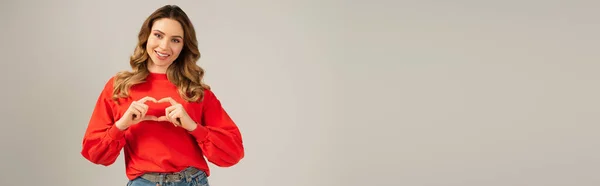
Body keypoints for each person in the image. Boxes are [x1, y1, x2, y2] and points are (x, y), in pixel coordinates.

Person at [80, 4, 244, 186]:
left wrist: (192, 126)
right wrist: (122, 125)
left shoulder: (196, 91)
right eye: (158, 35)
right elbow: (94, 153)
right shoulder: (119, 87)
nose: (164, 46)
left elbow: (233, 153)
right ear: (146, 36)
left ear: (184, 46)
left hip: (192, 181)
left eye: (175, 40)